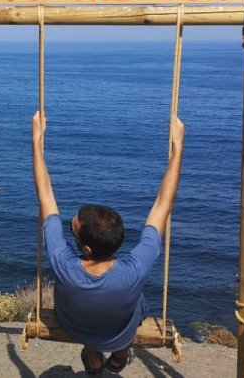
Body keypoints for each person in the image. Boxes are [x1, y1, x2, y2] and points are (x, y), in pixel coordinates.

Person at [31, 111, 185, 374]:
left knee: (82, 306)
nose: (70, 226)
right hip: (119, 329)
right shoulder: (133, 269)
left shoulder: (65, 265)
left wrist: (36, 140)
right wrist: (178, 148)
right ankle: (119, 356)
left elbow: (46, 197)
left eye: (73, 229)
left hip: (74, 323)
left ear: (86, 248)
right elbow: (162, 205)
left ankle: (93, 358)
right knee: (138, 302)